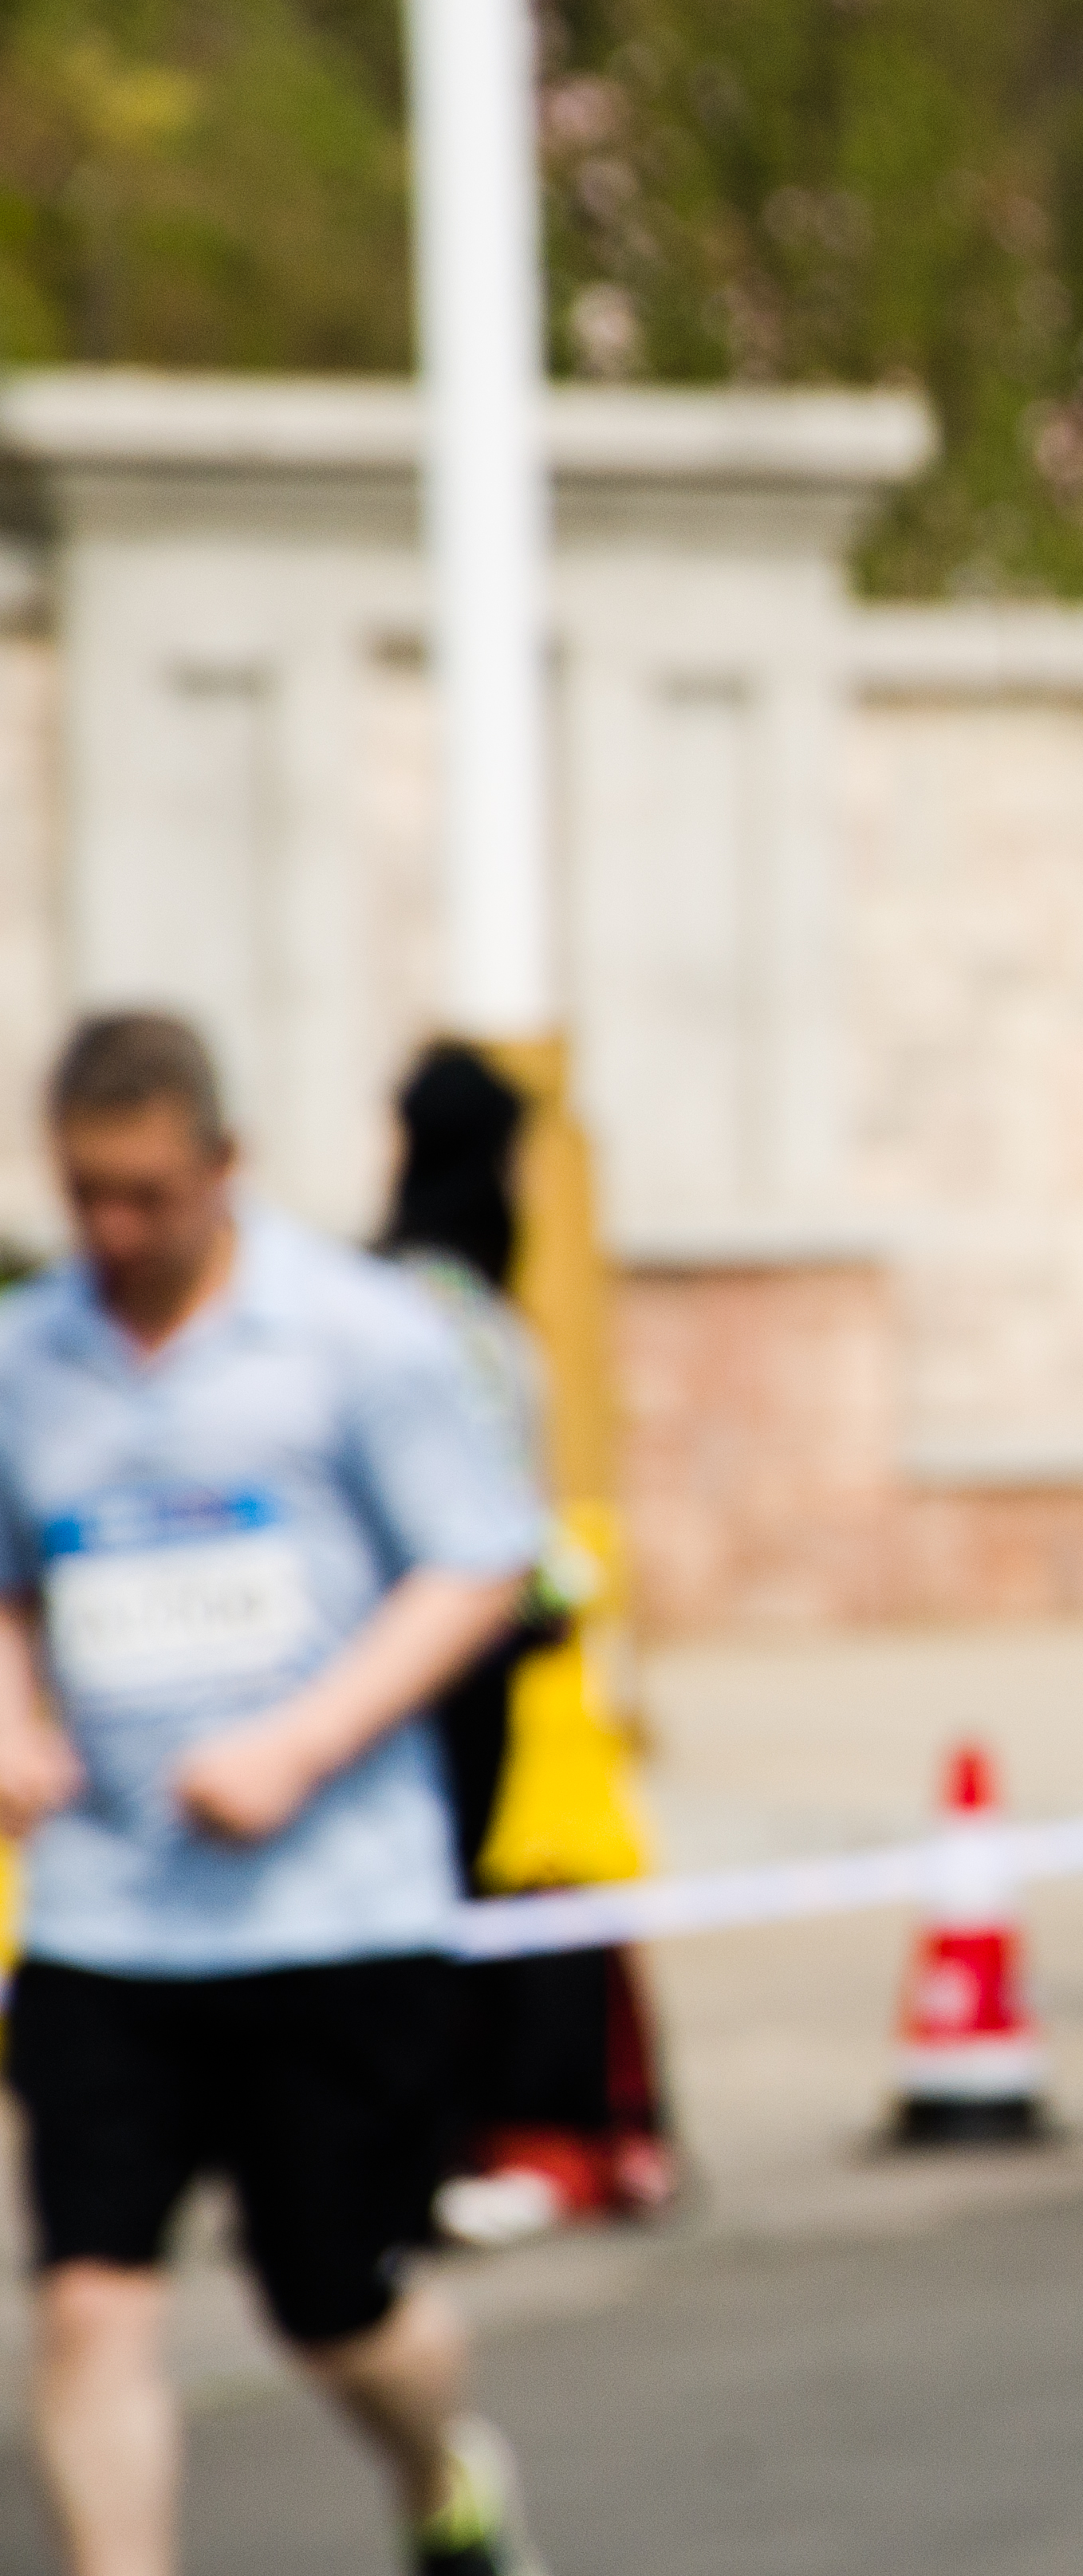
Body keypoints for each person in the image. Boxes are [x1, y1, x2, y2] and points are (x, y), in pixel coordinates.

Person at [0, 1014, 550, 2575]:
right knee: (91, 2295)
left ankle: (446, 2475)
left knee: (332, 2301)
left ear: (223, 1170)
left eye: (149, 1198)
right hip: (110, 1917)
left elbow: (479, 1563)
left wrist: (300, 1745)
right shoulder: (27, 1355)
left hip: (331, 1906)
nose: (115, 1232)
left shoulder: (362, 1333)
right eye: (85, 1195)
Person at [380, 1042, 677, 2247]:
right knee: (445, 1900)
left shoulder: (373, 1296)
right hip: (455, 1659)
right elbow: (499, 1517)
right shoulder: (455, 1318)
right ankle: (430, 2147)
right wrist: (561, 1581)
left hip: (406, 1654)